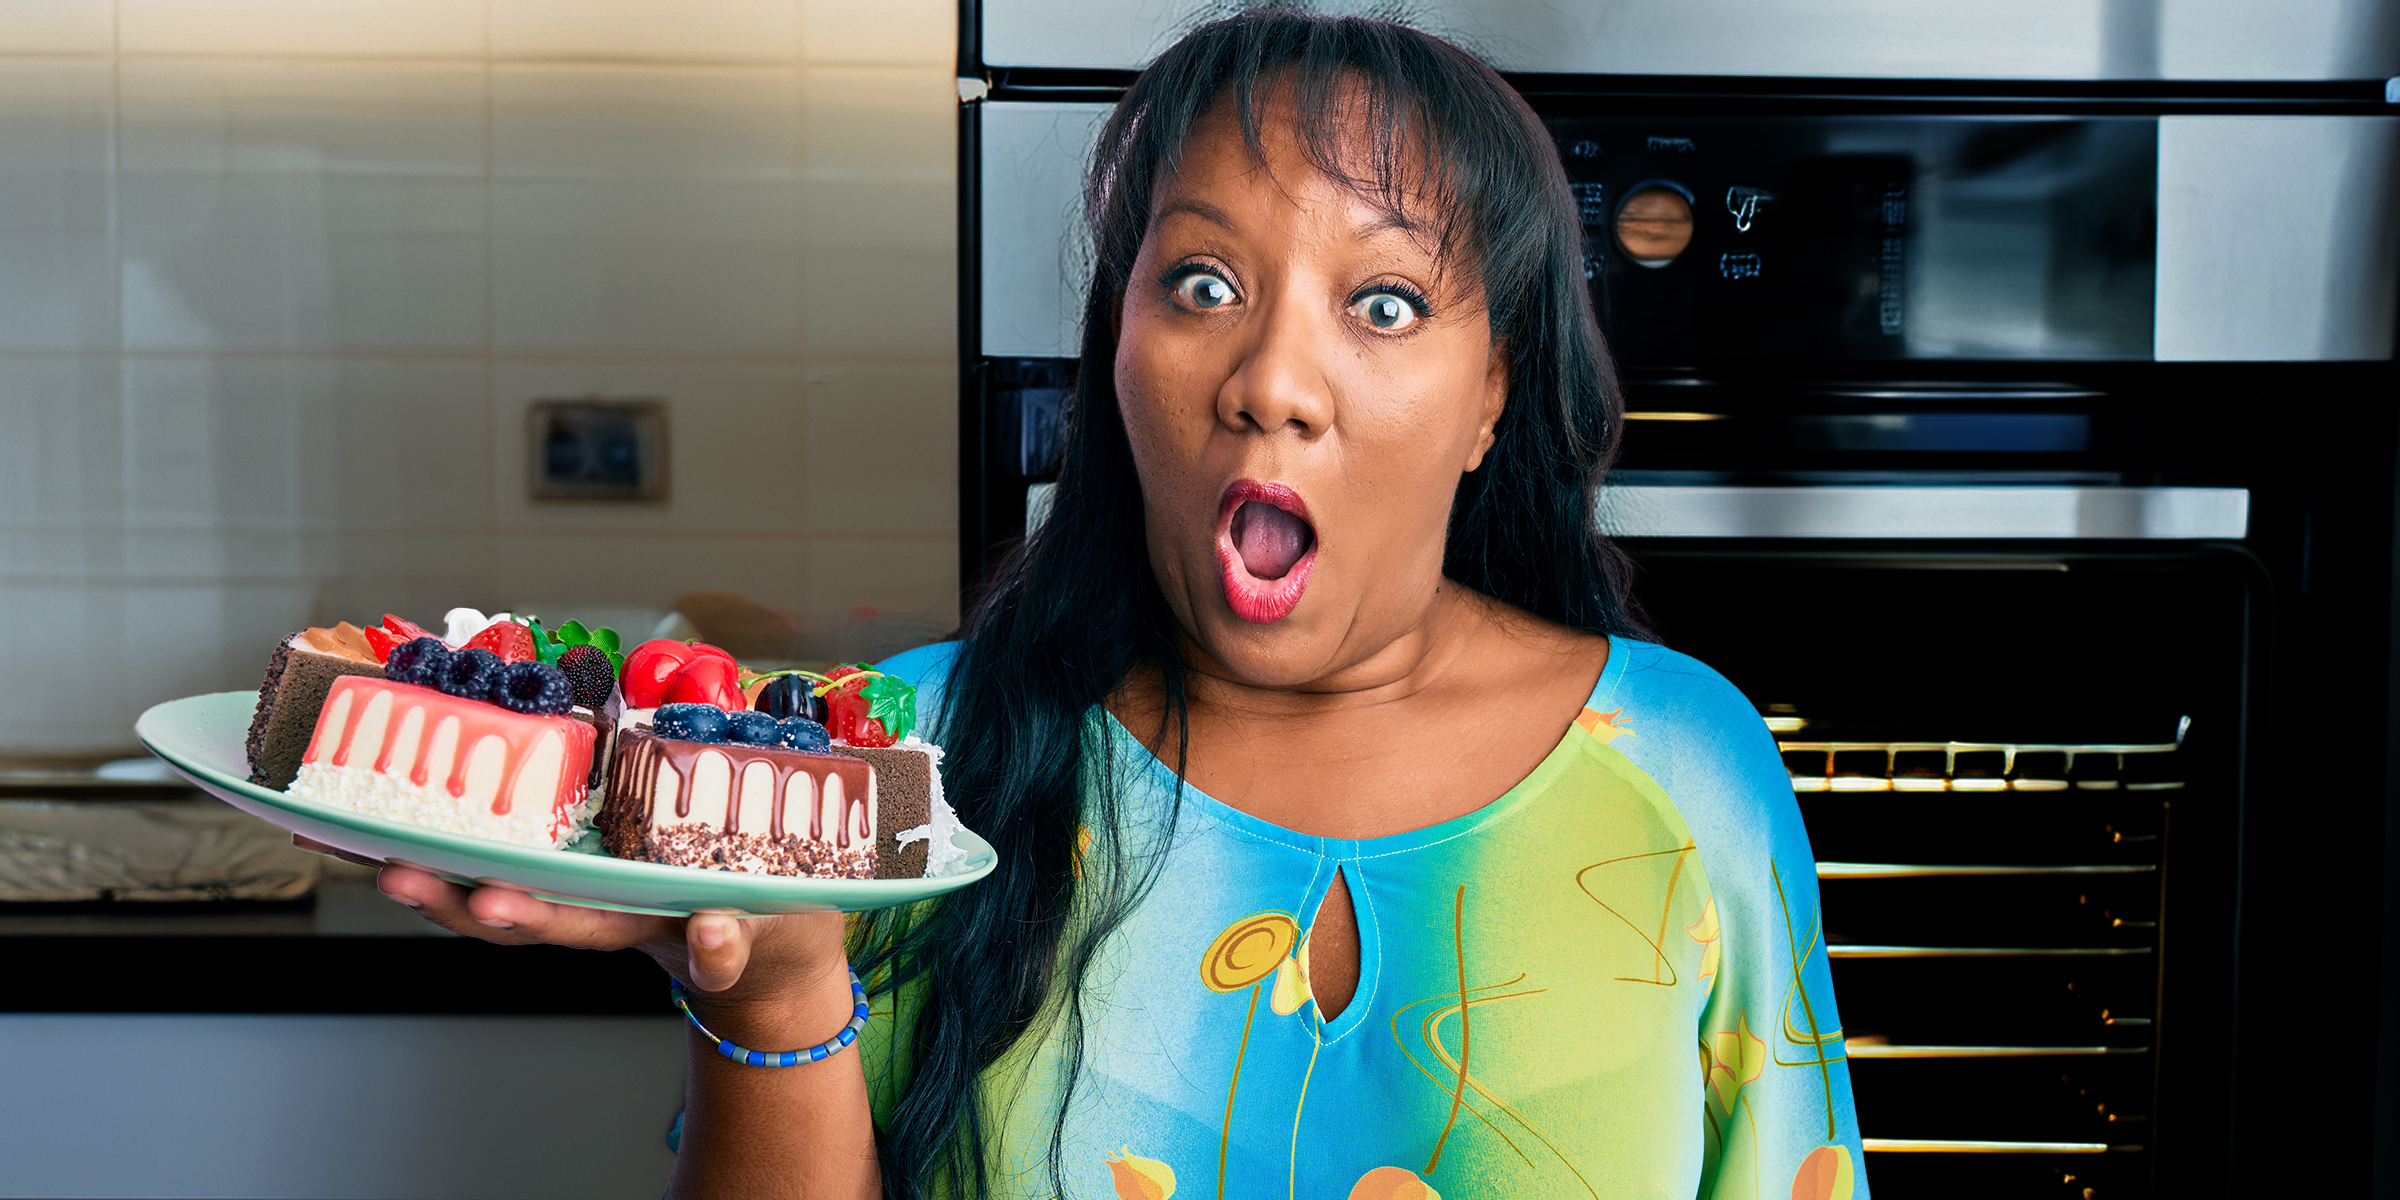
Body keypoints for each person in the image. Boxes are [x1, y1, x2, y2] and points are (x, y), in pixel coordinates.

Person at [377, 11, 1865, 1199]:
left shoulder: (1684, 770)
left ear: (1491, 397)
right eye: (1204, 284)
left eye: (1386, 303)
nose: (1271, 381)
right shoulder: (910, 766)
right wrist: (767, 1001)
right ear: (1115, 354)